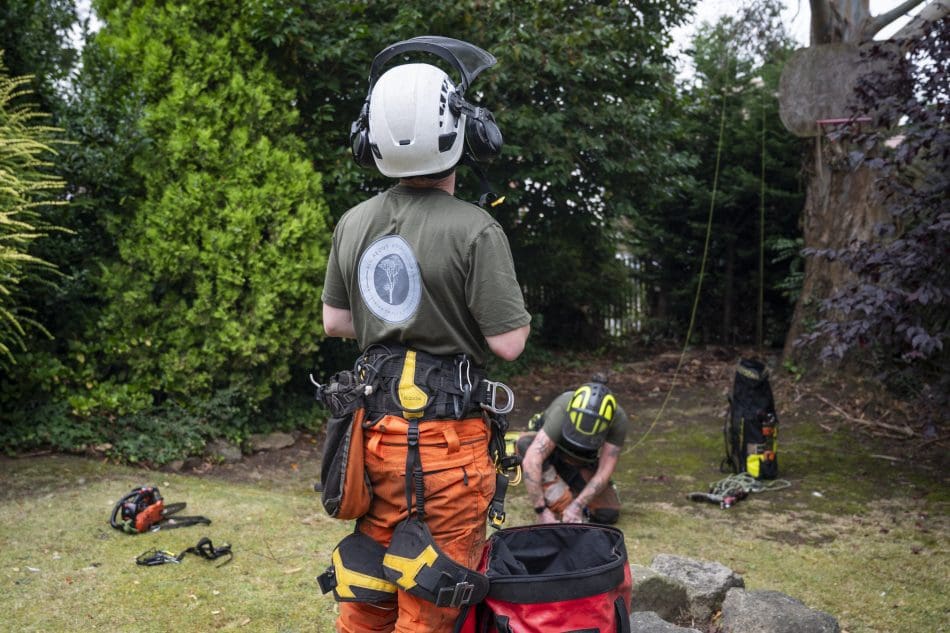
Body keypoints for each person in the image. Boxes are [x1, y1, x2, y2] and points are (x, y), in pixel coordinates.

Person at [320, 37, 531, 633]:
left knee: (368, 588)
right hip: (450, 450)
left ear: (373, 140)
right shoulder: (477, 230)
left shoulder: (353, 223)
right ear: (465, 133)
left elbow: (336, 322)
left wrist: (391, 321)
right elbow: (509, 342)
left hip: (373, 442)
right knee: (434, 597)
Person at [517, 375, 629, 525]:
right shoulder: (563, 407)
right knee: (525, 444)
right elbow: (532, 459)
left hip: (581, 461)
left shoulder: (618, 419)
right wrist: (541, 510)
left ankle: (571, 491)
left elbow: (604, 471)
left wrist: (578, 505)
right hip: (552, 456)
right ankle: (557, 493)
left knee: (607, 514)